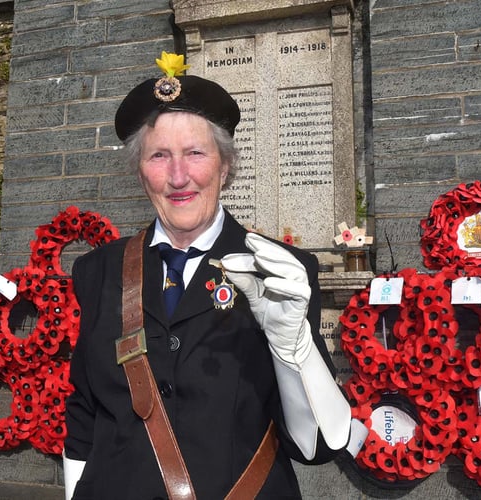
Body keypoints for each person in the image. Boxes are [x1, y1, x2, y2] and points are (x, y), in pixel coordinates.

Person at [63, 52, 352, 499]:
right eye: (159, 156)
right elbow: (84, 413)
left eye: (195, 153)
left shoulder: (281, 272)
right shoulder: (97, 270)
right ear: (141, 172)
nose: (178, 177)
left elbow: (314, 445)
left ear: (225, 165)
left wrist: (292, 348)